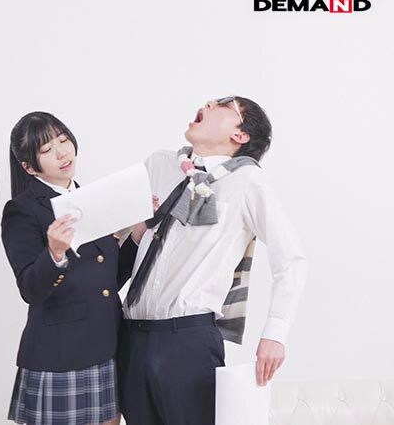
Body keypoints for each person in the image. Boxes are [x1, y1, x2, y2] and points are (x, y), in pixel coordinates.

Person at [117, 96, 308, 425]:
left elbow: (291, 259)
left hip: (186, 342)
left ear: (240, 135)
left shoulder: (247, 181)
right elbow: (116, 233)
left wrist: (275, 334)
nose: (208, 102)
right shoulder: (159, 165)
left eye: (223, 104)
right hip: (130, 337)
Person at [2, 111, 139, 425]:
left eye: (63, 141)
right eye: (47, 149)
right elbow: (30, 289)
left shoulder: (90, 197)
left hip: (108, 346)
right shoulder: (23, 209)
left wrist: (136, 235)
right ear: (28, 166)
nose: (62, 153)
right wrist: (54, 253)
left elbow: (108, 279)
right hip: (60, 354)